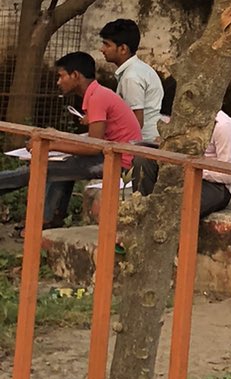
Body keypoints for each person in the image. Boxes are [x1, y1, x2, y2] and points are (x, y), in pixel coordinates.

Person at [45, 52, 140, 226]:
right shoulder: (98, 93)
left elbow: (94, 146)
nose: (58, 82)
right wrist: (59, 141)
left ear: (75, 75)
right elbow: (95, 139)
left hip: (121, 163)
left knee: (46, 168)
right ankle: (49, 220)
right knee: (60, 167)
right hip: (113, 154)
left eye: (61, 76)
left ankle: (43, 221)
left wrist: (53, 146)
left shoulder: (97, 97)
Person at [100, 19, 164, 194]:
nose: (102, 49)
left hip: (142, 144)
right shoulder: (139, 69)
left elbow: (136, 122)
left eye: (107, 44)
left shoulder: (131, 77)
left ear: (123, 49)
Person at [200, 105, 231, 219]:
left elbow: (229, 175)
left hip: (216, 186)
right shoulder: (183, 119)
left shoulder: (222, 125)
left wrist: (199, 172)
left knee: (183, 205)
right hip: (185, 177)